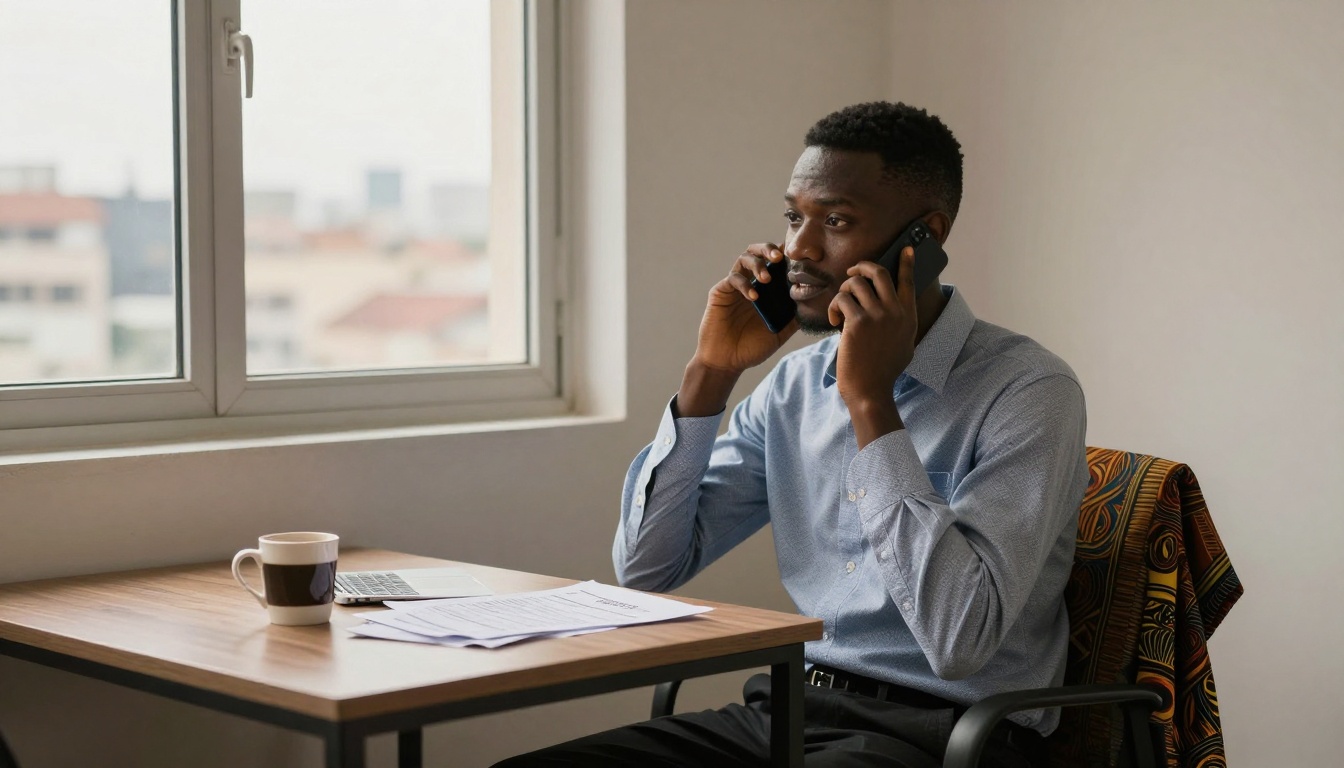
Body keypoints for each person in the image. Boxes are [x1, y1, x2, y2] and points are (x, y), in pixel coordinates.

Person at [496, 101, 1088, 767]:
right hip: (787, 712)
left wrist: (870, 403)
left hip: (946, 736)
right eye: (793, 217)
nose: (799, 249)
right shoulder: (794, 387)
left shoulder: (1029, 391)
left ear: (923, 238)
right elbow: (647, 569)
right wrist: (711, 374)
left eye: (835, 221)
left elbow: (959, 640)